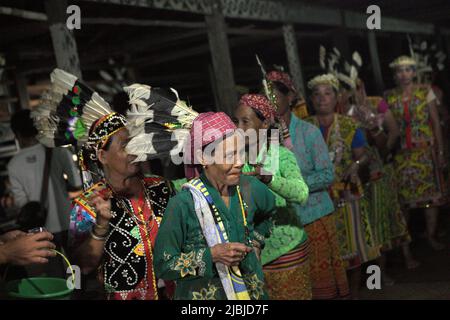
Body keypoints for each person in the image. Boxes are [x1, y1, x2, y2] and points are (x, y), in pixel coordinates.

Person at [32, 69, 174, 300]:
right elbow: (82, 267)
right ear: (102, 155)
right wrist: (101, 225)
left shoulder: (159, 187)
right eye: (125, 145)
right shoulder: (88, 205)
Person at [153, 112, 276, 300]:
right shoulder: (183, 204)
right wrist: (211, 255)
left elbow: (269, 213)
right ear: (203, 158)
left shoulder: (250, 188)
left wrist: (256, 241)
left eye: (241, 152)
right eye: (229, 155)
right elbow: (163, 265)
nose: (240, 162)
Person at [268, 70, 350, 300]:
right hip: (285, 224)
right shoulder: (264, 136)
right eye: (266, 97)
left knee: (322, 283)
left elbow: (326, 175)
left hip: (314, 216)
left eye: (274, 96)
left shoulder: (308, 132)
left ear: (290, 97)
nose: (270, 102)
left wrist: (290, 185)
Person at [306, 74, 380, 299]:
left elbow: (363, 155)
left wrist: (356, 165)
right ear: (311, 99)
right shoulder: (304, 127)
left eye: (327, 93)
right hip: (316, 196)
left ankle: (354, 291)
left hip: (346, 192)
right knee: (326, 247)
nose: (322, 99)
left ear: (337, 97)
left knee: (353, 242)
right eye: (317, 95)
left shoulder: (349, 125)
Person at [234, 93, 311, 300]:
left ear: (265, 124)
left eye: (245, 122)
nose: (238, 128)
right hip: (254, 258)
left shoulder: (281, 156)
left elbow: (302, 194)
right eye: (236, 121)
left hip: (287, 250)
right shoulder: (236, 160)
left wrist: (270, 179)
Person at [347, 79, 419, 272]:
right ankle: (378, 277)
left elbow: (394, 132)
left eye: (356, 88)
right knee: (372, 224)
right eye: (347, 90)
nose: (353, 93)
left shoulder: (376, 102)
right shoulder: (344, 112)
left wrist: (382, 152)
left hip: (382, 168)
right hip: (362, 175)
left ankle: (406, 257)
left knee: (394, 215)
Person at [384, 56, 448, 251]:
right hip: (402, 154)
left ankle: (430, 236)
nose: (404, 74)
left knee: (431, 199)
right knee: (403, 202)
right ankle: (406, 247)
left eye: (408, 70)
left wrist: (440, 151)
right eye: (399, 71)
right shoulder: (388, 96)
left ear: (414, 72)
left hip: (425, 152)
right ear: (395, 75)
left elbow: (436, 122)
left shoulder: (425, 91)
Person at [8, 109, 82, 253]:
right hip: (68, 221)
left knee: (54, 272)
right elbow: (77, 183)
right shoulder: (58, 151)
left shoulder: (13, 164)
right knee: (76, 268)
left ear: (16, 134)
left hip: (38, 231)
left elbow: (21, 203)